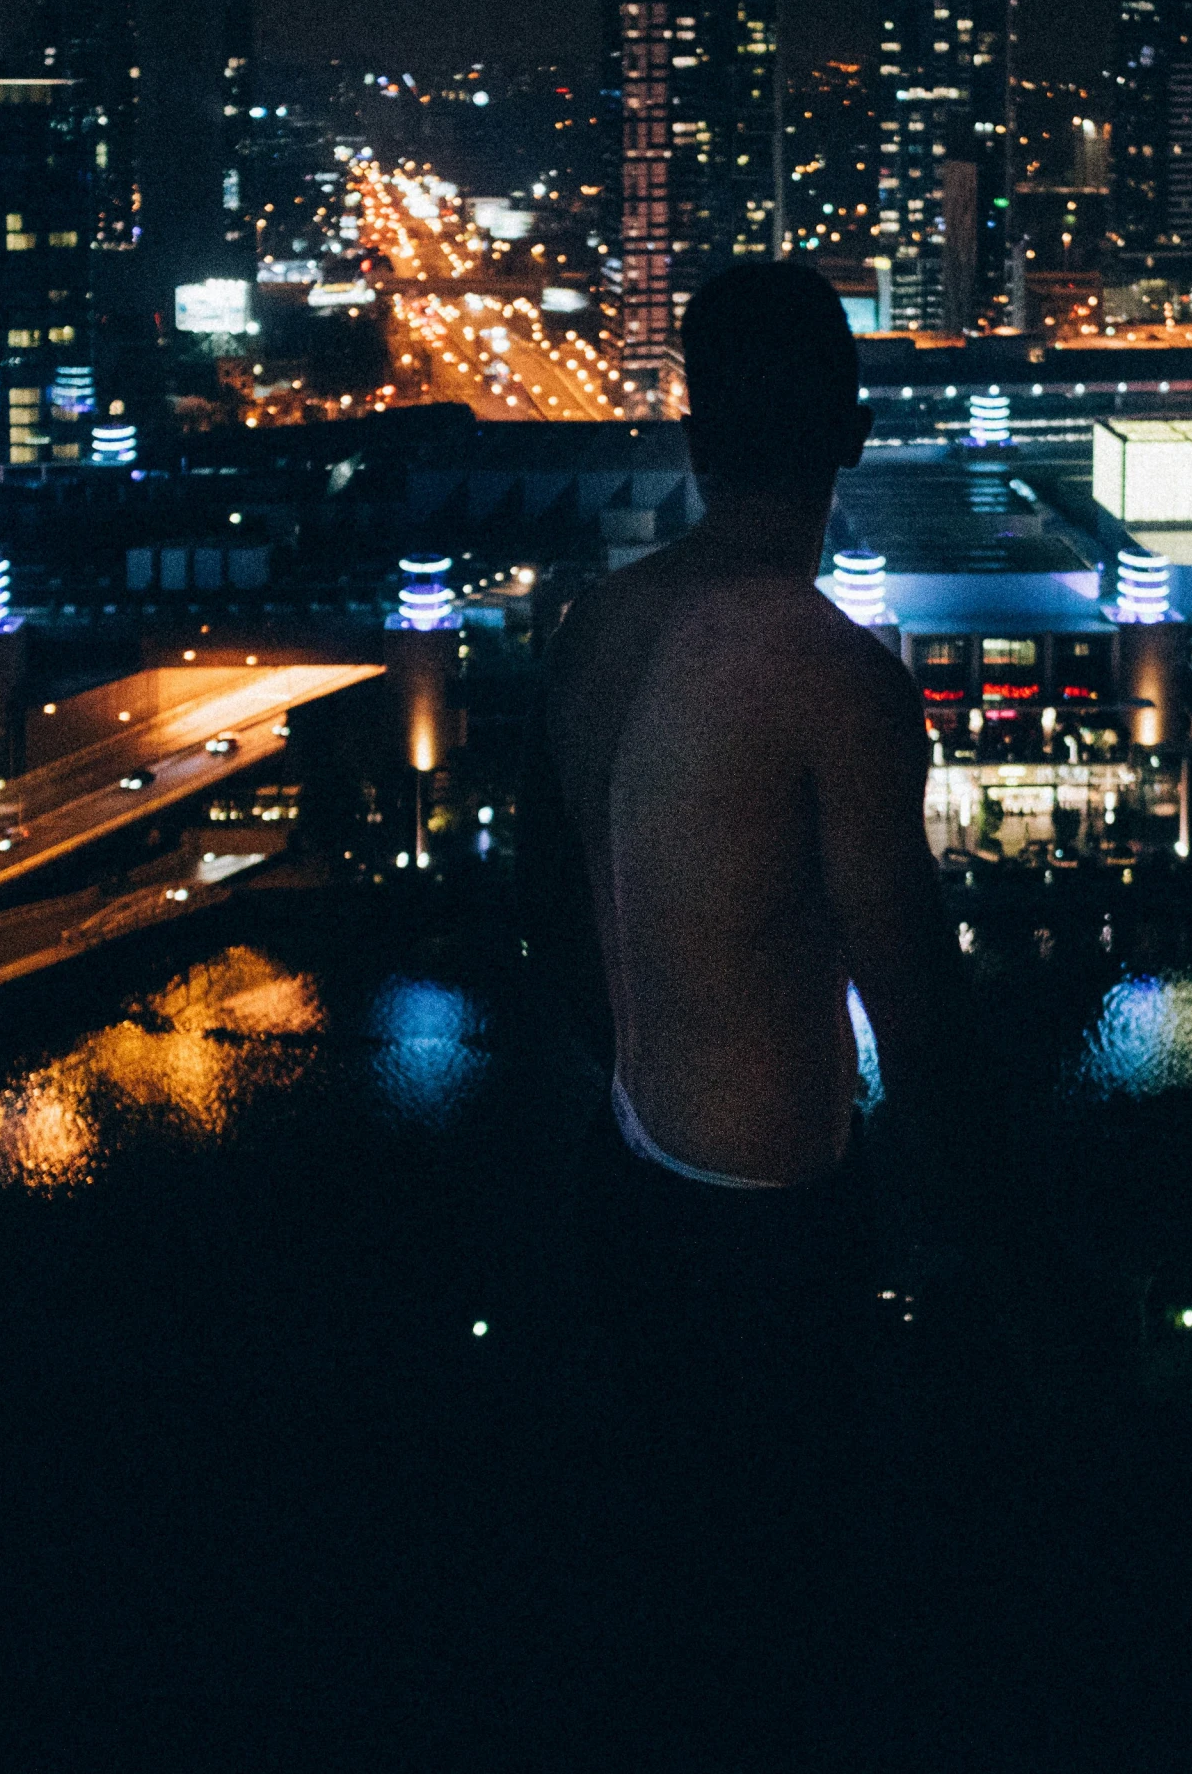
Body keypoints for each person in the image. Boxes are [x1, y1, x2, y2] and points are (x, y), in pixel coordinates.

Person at [515, 262, 976, 1745]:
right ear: (850, 431)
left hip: (625, 1178)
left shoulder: (599, 626)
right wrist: (1003, 1251)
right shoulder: (837, 679)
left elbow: (547, 925)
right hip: (771, 1228)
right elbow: (918, 1009)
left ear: (696, 432)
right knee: (801, 1629)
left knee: (662, 1602)